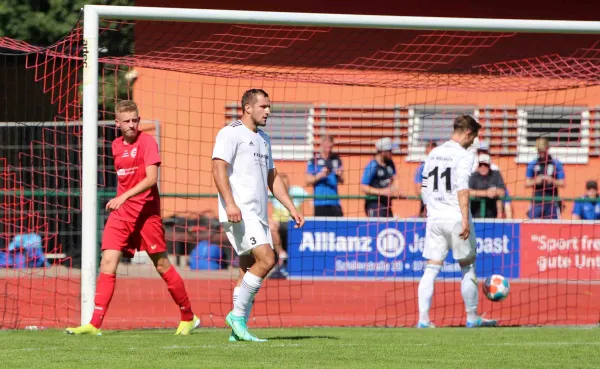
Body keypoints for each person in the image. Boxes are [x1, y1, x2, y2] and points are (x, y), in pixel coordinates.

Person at [66, 100, 199, 335]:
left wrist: (123, 197)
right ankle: (94, 324)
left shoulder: (147, 142)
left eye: (135, 120)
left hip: (147, 215)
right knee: (107, 262)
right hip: (122, 215)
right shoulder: (115, 145)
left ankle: (188, 316)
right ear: (117, 123)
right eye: (126, 121)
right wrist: (122, 201)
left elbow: (151, 179)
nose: (131, 125)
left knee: (161, 265)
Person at [212, 89, 305, 342]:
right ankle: (237, 317)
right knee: (267, 258)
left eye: (269, 107)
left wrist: (292, 208)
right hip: (240, 211)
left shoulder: (263, 139)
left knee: (246, 270)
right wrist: (230, 204)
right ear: (248, 108)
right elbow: (218, 168)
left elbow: (272, 179)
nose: (268, 111)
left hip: (258, 214)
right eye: (264, 106)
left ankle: (236, 332)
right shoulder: (230, 132)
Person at [418, 115, 497, 328]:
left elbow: (423, 186)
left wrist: (430, 210)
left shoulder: (434, 153)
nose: (474, 142)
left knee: (431, 268)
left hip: (434, 218)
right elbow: (462, 188)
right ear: (468, 133)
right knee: (467, 266)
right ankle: (472, 318)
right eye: (475, 137)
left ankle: (423, 320)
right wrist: (464, 219)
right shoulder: (464, 155)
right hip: (454, 216)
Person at [269, 173, 308, 278]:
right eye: (282, 183)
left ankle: (292, 262)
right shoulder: (273, 192)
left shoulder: (298, 191)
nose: (284, 186)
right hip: (278, 222)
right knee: (271, 226)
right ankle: (281, 254)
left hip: (293, 222)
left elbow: (311, 201)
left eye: (286, 184)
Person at [360, 137, 402, 217]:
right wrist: (382, 192)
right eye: (390, 151)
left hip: (387, 204)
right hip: (374, 204)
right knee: (376, 228)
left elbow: (395, 179)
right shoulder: (372, 166)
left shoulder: (390, 164)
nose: (392, 153)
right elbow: (363, 187)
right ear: (383, 152)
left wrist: (395, 190)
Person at [525, 137, 565, 219]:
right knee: (531, 227)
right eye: (539, 151)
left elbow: (562, 183)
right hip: (536, 202)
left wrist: (551, 180)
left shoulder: (556, 164)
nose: (541, 153)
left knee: (553, 229)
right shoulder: (532, 164)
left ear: (548, 149)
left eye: (543, 150)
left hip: (552, 202)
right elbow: (527, 183)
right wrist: (536, 181)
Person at [306, 136, 344, 217]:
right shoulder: (314, 160)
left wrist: (339, 175)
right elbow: (308, 181)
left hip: (334, 202)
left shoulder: (337, 160)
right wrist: (320, 174)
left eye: (331, 146)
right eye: (327, 145)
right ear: (322, 144)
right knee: (320, 228)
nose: (329, 148)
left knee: (339, 227)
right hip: (320, 202)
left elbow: (342, 180)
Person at [469, 154, 507, 219]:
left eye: (485, 165)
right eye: (481, 165)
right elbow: (467, 192)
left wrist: (495, 192)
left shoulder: (496, 174)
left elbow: (502, 192)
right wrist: (486, 193)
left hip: (493, 215)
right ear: (478, 165)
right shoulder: (474, 176)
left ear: (489, 166)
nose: (483, 167)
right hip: (475, 214)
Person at [414, 141, 437, 217]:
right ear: (426, 152)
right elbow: (418, 190)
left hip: (440, 206)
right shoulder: (422, 168)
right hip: (426, 207)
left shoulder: (443, 167)